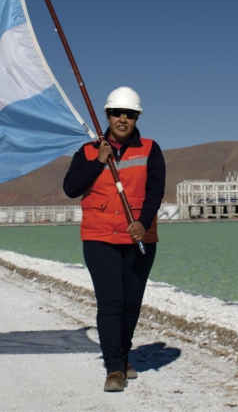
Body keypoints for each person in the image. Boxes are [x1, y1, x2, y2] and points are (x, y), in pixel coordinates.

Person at [63, 86, 166, 393]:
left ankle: (122, 356)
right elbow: (70, 188)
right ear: (107, 115)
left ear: (137, 118)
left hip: (139, 237)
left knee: (131, 304)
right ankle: (114, 369)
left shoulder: (150, 149)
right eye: (118, 113)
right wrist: (98, 161)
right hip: (99, 238)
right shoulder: (87, 151)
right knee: (111, 303)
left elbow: (155, 192)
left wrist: (142, 222)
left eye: (130, 114)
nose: (123, 119)